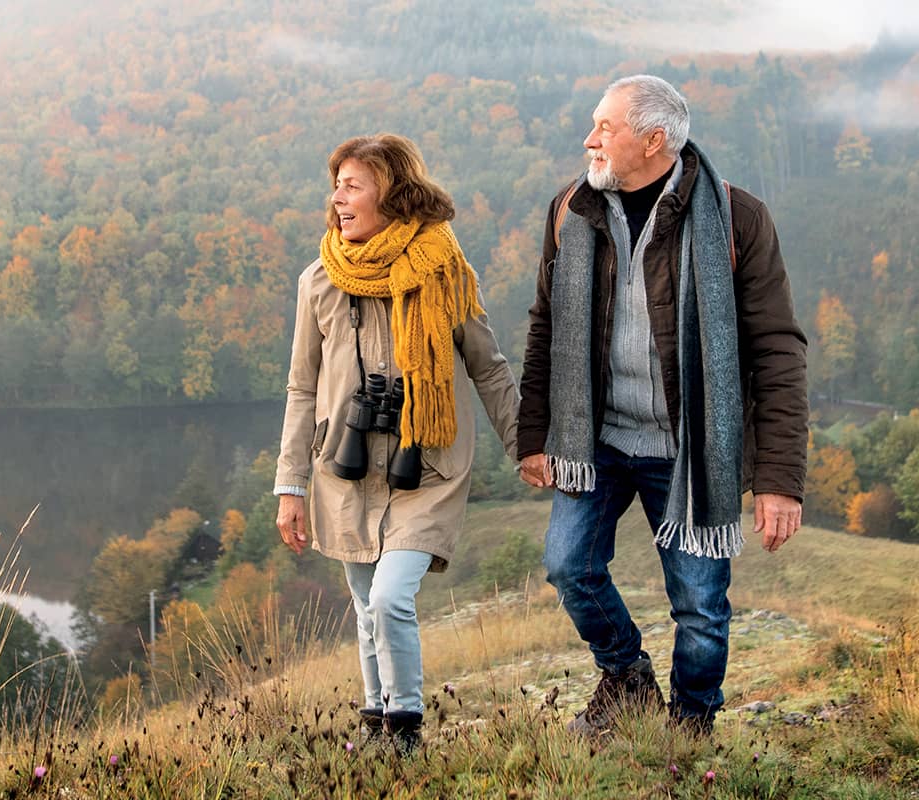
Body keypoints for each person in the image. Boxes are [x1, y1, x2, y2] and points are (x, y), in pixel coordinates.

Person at [516, 75, 809, 738]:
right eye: (593, 123)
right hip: (599, 438)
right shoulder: (572, 209)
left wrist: (779, 480)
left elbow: (778, 352)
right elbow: (546, 324)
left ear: (654, 142)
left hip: (690, 448)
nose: (589, 139)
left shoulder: (737, 220)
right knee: (569, 565)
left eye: (605, 128)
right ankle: (627, 677)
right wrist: (535, 434)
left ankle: (691, 727)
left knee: (700, 606)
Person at [274, 133, 520, 755]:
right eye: (336, 186)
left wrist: (526, 446)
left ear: (391, 193)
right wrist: (290, 484)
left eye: (352, 186)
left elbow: (488, 367)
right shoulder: (319, 281)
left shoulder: (443, 274)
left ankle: (405, 730)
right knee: (365, 605)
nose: (338, 200)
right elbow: (302, 388)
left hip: (426, 465)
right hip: (345, 468)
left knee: (388, 598)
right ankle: (376, 721)